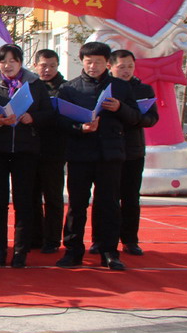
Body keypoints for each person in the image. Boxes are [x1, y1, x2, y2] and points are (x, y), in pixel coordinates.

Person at [55, 42, 140, 271]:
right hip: (80, 154)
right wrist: (79, 128)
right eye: (89, 62)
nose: (93, 66)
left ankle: (109, 252)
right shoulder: (69, 88)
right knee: (77, 205)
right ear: (82, 62)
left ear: (107, 63)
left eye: (98, 62)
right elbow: (59, 121)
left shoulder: (120, 87)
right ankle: (73, 251)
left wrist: (119, 108)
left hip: (110, 154)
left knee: (109, 204)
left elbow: (136, 118)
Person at [0, 44, 53, 268]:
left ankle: (20, 251)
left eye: (12, 61)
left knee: (24, 201)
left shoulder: (35, 84)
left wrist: (32, 118)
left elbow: (49, 113)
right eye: (2, 61)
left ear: (20, 62)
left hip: (25, 150)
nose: (7, 65)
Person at [107, 49, 159, 256]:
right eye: (121, 67)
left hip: (133, 150)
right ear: (110, 67)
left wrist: (130, 114)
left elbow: (151, 119)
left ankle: (130, 240)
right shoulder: (105, 88)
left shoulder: (144, 89)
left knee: (130, 197)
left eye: (130, 66)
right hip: (108, 149)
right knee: (107, 197)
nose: (126, 71)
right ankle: (101, 240)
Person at [30, 49, 67, 254]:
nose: (47, 70)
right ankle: (35, 237)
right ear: (35, 66)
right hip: (30, 148)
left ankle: (52, 239)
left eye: (52, 66)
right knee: (31, 196)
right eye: (43, 65)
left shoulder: (66, 88)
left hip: (54, 150)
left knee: (53, 197)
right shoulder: (29, 86)